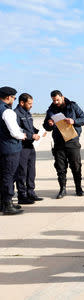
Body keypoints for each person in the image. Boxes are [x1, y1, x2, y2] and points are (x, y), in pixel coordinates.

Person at [43, 90, 84, 198]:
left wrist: (74, 121)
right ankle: (62, 189)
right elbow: (46, 126)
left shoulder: (73, 106)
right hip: (58, 142)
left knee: (76, 165)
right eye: (54, 100)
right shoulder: (51, 110)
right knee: (60, 167)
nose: (56, 102)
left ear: (62, 97)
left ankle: (78, 188)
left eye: (57, 99)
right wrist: (49, 124)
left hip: (72, 140)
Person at [14, 93, 43, 205]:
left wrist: (38, 132)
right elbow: (18, 131)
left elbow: (30, 128)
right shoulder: (16, 114)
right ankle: (22, 195)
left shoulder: (28, 113)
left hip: (31, 146)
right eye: (29, 103)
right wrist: (32, 136)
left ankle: (31, 192)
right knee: (22, 172)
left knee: (31, 171)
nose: (31, 105)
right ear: (22, 103)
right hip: (22, 147)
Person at [0, 86, 25, 215]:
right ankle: (8, 204)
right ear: (9, 97)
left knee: (3, 175)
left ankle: (2, 203)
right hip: (10, 148)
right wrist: (23, 135)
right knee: (9, 176)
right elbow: (14, 132)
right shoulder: (7, 111)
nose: (13, 100)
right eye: (14, 98)